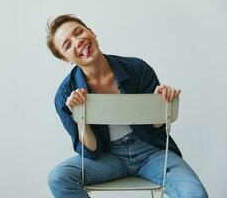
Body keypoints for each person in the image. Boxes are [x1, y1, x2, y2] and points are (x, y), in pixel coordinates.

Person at [46, 14, 208, 198]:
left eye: (79, 32)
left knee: (195, 194)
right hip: (108, 158)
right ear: (65, 59)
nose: (78, 41)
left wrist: (160, 104)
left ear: (91, 31)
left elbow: (156, 127)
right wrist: (79, 115)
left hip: (151, 151)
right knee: (58, 177)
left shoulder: (137, 68)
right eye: (67, 45)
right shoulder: (65, 95)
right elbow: (90, 149)